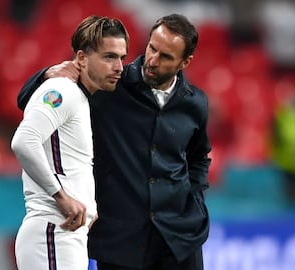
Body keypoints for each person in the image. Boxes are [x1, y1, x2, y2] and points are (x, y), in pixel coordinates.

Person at [18, 13, 211, 270]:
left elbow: (199, 157)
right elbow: (28, 106)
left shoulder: (195, 103)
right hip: (121, 242)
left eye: (165, 56)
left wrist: (195, 199)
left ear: (185, 62)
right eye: (152, 48)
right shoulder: (110, 86)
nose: (153, 60)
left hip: (179, 238)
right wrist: (46, 75)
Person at [11, 15, 129, 270]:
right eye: (109, 57)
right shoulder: (62, 91)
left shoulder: (80, 97)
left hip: (64, 234)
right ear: (82, 58)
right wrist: (61, 196)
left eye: (122, 57)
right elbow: (23, 141)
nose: (119, 66)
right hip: (53, 230)